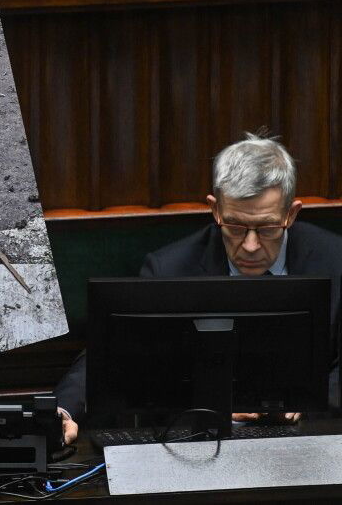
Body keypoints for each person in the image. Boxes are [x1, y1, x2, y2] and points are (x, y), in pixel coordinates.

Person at [54, 132, 342, 444]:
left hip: (307, 441)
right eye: (235, 226)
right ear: (215, 210)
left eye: (268, 228)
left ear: (291, 213)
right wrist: (64, 409)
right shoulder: (169, 270)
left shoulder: (336, 260)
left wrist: (305, 403)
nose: (250, 245)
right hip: (201, 441)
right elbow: (111, 355)